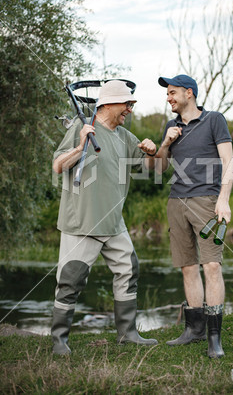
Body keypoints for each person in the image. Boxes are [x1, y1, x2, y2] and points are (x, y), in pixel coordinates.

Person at [51, 79, 158, 354]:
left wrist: (152, 150)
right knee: (70, 281)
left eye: (131, 104)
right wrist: (80, 145)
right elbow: (57, 166)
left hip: (114, 222)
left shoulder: (124, 136)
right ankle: (59, 341)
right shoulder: (81, 127)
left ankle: (129, 334)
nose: (129, 110)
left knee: (129, 270)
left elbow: (152, 168)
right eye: (127, 104)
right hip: (82, 222)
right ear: (108, 103)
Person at [153, 74, 233, 359]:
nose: (168, 97)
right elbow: (158, 170)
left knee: (211, 265)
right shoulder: (171, 126)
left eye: (173, 92)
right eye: (167, 93)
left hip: (207, 201)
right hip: (176, 201)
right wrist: (165, 143)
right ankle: (194, 329)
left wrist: (223, 200)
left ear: (189, 93)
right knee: (188, 267)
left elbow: (229, 162)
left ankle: (214, 337)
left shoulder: (214, 120)